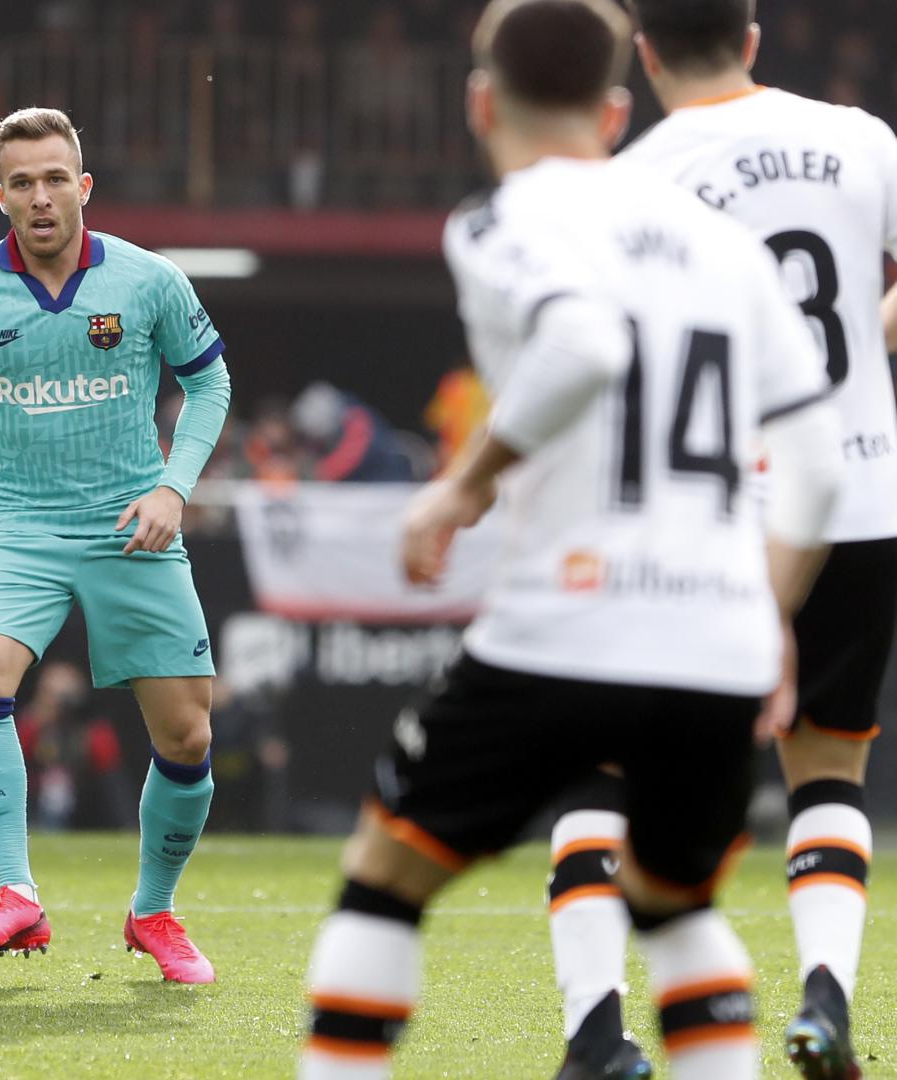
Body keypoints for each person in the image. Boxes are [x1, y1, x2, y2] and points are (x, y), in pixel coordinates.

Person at [298, 3, 843, 1079]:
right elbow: (815, 463)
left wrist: (457, 489)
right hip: (712, 637)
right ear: (610, 109)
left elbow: (582, 342)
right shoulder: (718, 245)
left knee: (384, 874)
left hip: (566, 625)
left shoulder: (499, 221)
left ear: (478, 101)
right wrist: (768, 614)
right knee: (675, 903)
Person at [541, 4, 897, 1078]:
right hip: (858, 493)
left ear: (640, 53)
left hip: (697, 514)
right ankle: (824, 1001)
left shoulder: (629, 179)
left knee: (599, 766)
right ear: (749, 37)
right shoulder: (860, 138)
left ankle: (595, 1036)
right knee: (826, 769)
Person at [0, 107, 232, 981]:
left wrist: (172, 487)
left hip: (133, 524)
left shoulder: (150, 281)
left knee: (189, 735)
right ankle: (16, 896)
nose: (41, 197)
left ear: (82, 187)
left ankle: (153, 912)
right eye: (23, 183)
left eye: (56, 179)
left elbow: (209, 384)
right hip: (23, 524)